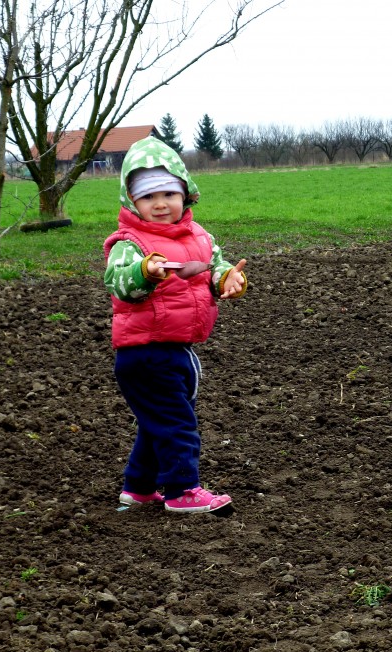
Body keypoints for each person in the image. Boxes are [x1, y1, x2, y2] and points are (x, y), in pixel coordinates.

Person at [104, 136, 247, 514]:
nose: (161, 203)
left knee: (159, 422)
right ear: (132, 201)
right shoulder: (129, 242)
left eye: (169, 193)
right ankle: (182, 490)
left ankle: (138, 487)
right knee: (176, 423)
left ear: (186, 193)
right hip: (144, 352)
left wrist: (227, 280)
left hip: (176, 347)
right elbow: (118, 282)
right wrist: (144, 271)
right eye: (149, 196)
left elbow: (213, 269)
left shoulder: (200, 237)